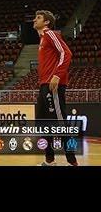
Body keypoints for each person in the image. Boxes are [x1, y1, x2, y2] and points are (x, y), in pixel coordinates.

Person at [33, 9, 77, 166]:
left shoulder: (50, 34)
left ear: (46, 22)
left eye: (38, 18)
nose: (34, 20)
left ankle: (72, 162)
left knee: (60, 123)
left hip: (53, 85)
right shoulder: (42, 39)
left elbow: (67, 53)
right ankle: (50, 161)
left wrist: (57, 75)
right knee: (42, 123)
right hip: (44, 85)